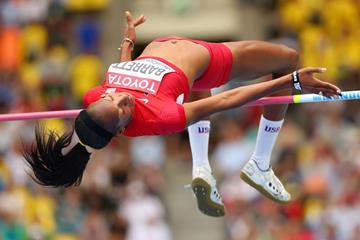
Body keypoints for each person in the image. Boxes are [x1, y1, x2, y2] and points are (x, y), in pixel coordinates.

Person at [23, 12, 341, 218]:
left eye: (112, 96)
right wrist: (293, 80)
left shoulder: (99, 99)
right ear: (121, 129)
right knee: (287, 57)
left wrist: (128, 39)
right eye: (123, 109)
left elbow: (120, 72)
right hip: (209, 60)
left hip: (178, 62)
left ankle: (202, 167)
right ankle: (260, 162)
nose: (121, 98)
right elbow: (227, 100)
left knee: (188, 88)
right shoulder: (160, 116)